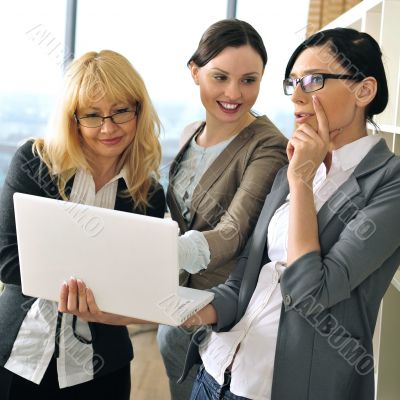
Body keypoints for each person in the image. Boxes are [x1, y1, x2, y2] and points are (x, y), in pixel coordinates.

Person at [177, 27, 400, 400]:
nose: (296, 96)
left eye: (313, 80)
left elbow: (309, 293)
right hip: (215, 374)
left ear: (364, 90)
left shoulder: (388, 183)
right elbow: (243, 283)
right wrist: (181, 308)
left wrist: (301, 180)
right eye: (292, 81)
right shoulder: (293, 166)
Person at [0, 50, 165, 400]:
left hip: (103, 367)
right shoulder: (35, 162)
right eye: (92, 115)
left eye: (121, 111)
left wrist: (89, 288)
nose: (108, 128)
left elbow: (141, 286)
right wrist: (95, 286)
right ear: (73, 119)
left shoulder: (148, 195)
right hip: (19, 354)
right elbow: (7, 259)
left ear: (138, 110)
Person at [157, 18, 288, 398]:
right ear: (195, 72)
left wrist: (156, 252)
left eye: (249, 80)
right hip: (178, 304)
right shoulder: (189, 135)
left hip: (225, 312)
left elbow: (233, 233)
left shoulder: (267, 146)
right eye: (220, 77)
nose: (234, 93)